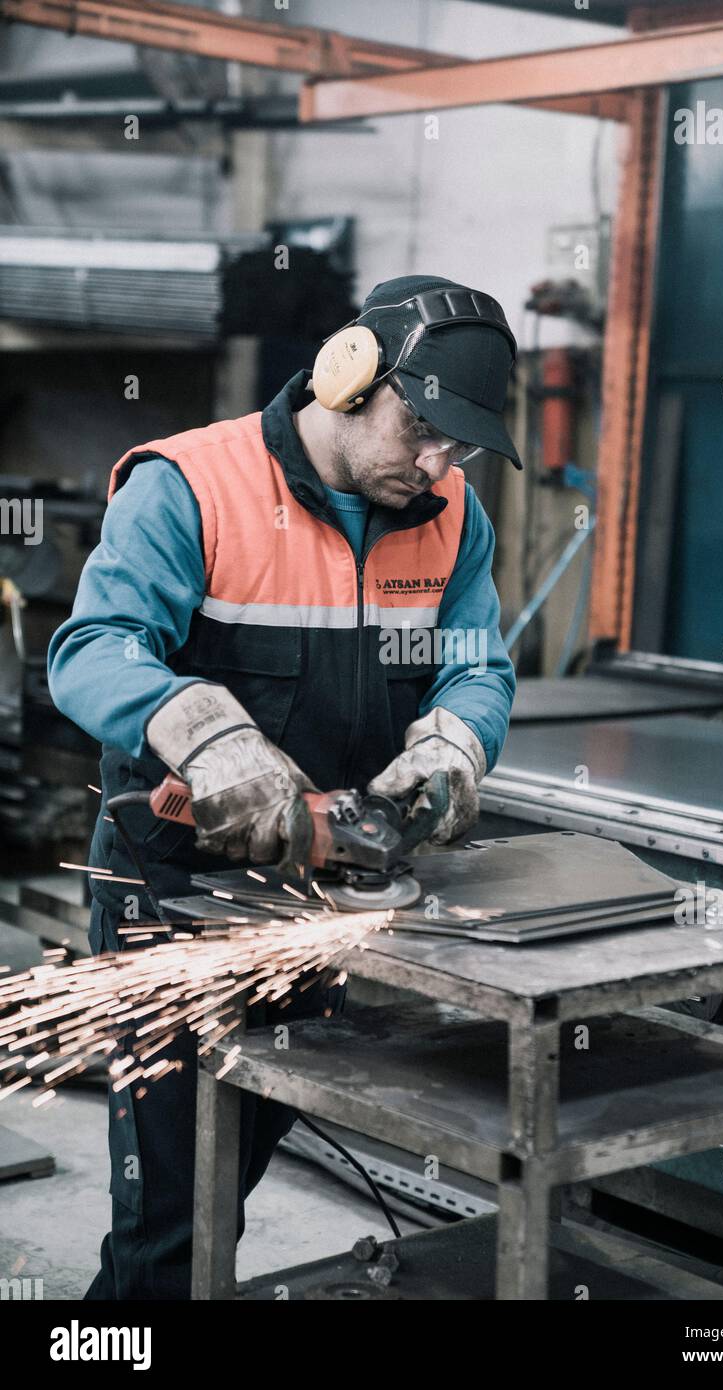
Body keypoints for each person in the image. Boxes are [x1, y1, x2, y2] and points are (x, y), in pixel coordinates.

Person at [47, 273, 519, 1299]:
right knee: (172, 1210)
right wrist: (208, 737)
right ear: (351, 374)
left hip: (321, 898)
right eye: (424, 425)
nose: (438, 461)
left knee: (236, 1166)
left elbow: (476, 663)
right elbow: (91, 650)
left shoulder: (451, 517)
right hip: (172, 898)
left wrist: (453, 745)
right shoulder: (192, 484)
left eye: (463, 444)